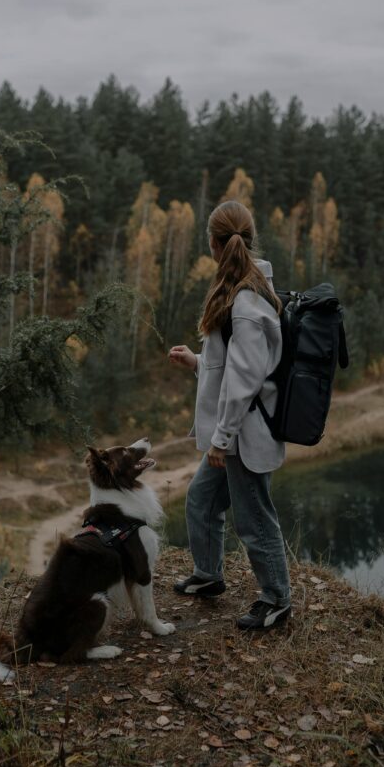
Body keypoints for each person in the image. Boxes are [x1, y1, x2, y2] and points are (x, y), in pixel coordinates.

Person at [168, 200, 291, 631]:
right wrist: (197, 362)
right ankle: (208, 575)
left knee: (254, 518)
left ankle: (276, 599)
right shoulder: (239, 289)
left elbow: (246, 380)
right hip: (234, 432)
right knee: (202, 500)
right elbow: (231, 368)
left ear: (215, 244)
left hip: (243, 434)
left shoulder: (246, 301)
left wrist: (221, 439)